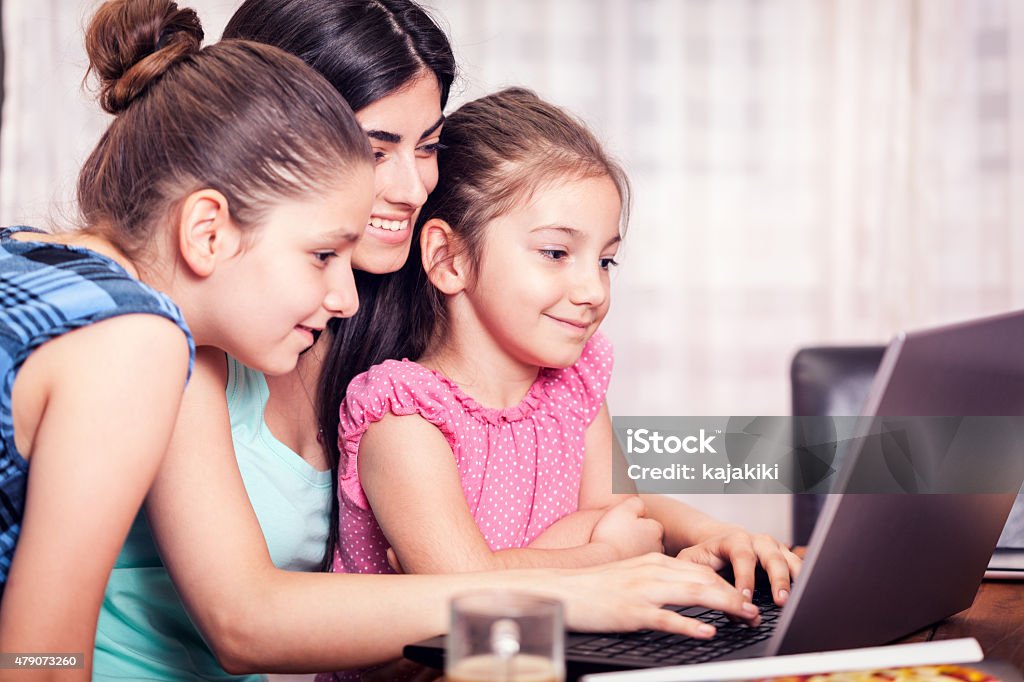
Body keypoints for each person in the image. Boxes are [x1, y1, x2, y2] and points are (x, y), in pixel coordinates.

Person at [90, 1, 791, 679]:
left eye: (427, 146)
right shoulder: (189, 337)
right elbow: (246, 620)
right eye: (376, 148)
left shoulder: (384, 315)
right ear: (272, 140)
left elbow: (604, 487)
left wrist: (706, 530)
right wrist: (584, 574)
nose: (413, 185)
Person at [0, 0, 374, 677]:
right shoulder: (134, 341)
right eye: (323, 254)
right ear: (208, 232)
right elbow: (39, 661)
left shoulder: (20, 254)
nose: (344, 296)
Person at [334, 87, 664, 582]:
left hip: (555, 648)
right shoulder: (404, 415)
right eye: (555, 253)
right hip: (447, 663)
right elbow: (465, 591)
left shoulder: (575, 386)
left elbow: (627, 521)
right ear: (449, 259)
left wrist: (502, 567)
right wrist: (603, 553)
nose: (594, 289)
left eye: (605, 261)